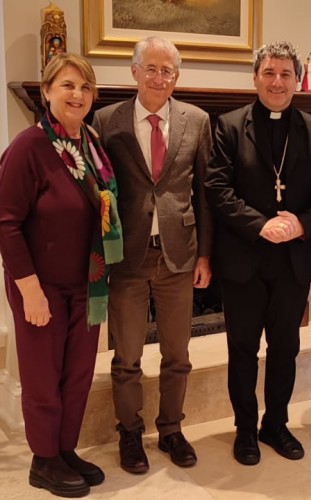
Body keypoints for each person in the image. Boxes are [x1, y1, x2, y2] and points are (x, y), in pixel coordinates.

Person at [205, 40, 311, 466]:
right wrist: (260, 224)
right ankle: (245, 429)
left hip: (292, 262)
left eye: (285, 74)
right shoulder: (228, 126)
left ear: (297, 80)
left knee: (285, 349)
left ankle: (275, 424)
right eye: (269, 73)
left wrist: (300, 224)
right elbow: (217, 188)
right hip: (244, 260)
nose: (277, 82)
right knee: (243, 349)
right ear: (255, 78)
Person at [0, 53, 122, 497]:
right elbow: (6, 223)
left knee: (77, 375)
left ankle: (65, 450)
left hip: (86, 284)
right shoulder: (28, 147)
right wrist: (29, 291)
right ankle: (43, 460)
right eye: (68, 85)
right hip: (41, 287)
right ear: (47, 91)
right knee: (43, 379)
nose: (78, 94)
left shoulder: (91, 144)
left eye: (86, 87)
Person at [92, 36, 213, 473]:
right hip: (128, 257)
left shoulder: (196, 120)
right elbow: (100, 192)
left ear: (176, 77)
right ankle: (129, 432)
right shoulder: (106, 120)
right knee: (126, 357)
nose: (160, 78)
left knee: (178, 355)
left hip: (179, 256)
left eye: (168, 71)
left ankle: (171, 429)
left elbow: (205, 192)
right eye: (152, 68)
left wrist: (205, 256)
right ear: (134, 72)